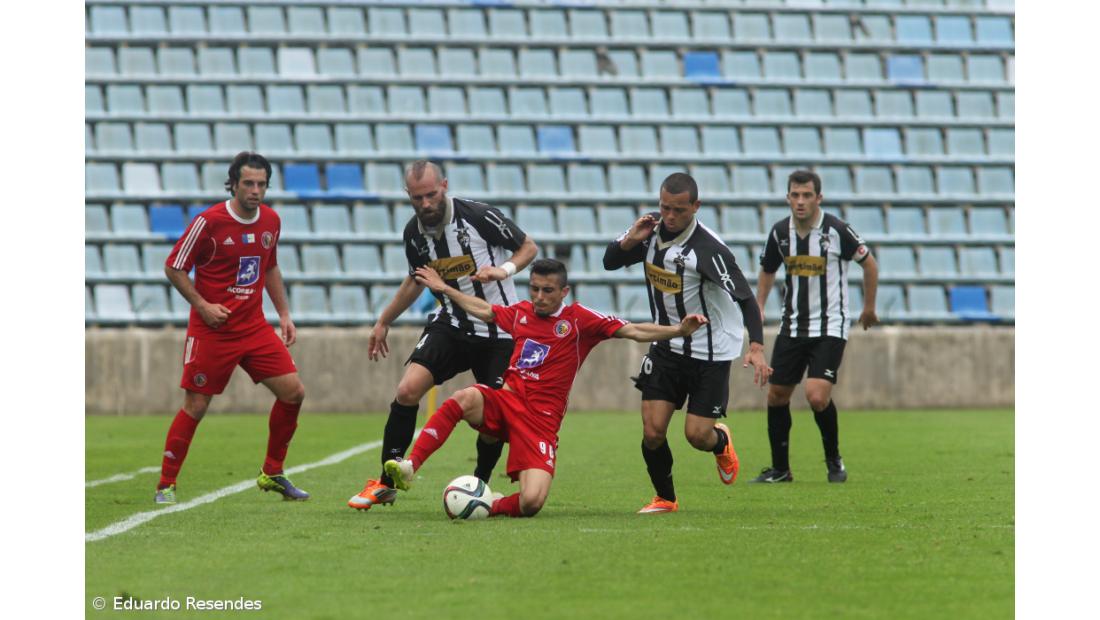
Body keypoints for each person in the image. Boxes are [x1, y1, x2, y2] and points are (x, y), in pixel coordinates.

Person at [382, 258, 708, 518]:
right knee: (464, 397)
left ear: (563, 292)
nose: (538, 297)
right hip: (507, 399)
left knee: (532, 503)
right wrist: (444, 289)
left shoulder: (580, 320)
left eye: (547, 291)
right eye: (534, 288)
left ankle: (488, 505)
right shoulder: (522, 313)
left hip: (540, 421)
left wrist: (678, 330)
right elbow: (485, 309)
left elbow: (634, 330)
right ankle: (411, 466)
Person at [348, 161, 538, 510]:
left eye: (431, 195)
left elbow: (528, 247)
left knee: (492, 421)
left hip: (500, 331)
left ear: (445, 186)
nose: (426, 204)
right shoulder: (413, 234)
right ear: (409, 195)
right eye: (417, 197)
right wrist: (384, 320)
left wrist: (503, 269)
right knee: (407, 390)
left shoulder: (479, 217)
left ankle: (479, 483)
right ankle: (387, 482)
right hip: (452, 325)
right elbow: (414, 280)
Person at [603, 172, 772, 514]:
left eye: (678, 210)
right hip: (666, 345)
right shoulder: (648, 231)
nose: (669, 216)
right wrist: (628, 242)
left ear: (696, 206)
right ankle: (665, 498)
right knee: (652, 432)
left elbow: (746, 299)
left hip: (710, 352)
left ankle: (720, 441)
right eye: (664, 207)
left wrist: (756, 347)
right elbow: (609, 262)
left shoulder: (709, 250)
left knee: (696, 436)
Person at [155, 151, 308, 504]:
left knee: (293, 393)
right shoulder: (208, 222)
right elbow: (174, 267)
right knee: (196, 405)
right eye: (248, 183)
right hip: (212, 331)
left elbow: (269, 267)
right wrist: (203, 306)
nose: (255, 190)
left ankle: (272, 472)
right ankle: (166, 484)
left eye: (261, 184)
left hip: (253, 327)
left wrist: (284, 313)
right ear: (234, 184)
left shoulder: (271, 220)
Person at [752, 169, 879, 484]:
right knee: (777, 395)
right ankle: (781, 469)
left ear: (818, 198)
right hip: (792, 326)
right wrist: (759, 305)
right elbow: (768, 269)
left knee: (816, 395)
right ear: (788, 198)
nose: (800, 201)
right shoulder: (780, 233)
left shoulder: (837, 231)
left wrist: (868, 308)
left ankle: (834, 461)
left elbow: (870, 264)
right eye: (795, 195)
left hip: (829, 326)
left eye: (807, 195)